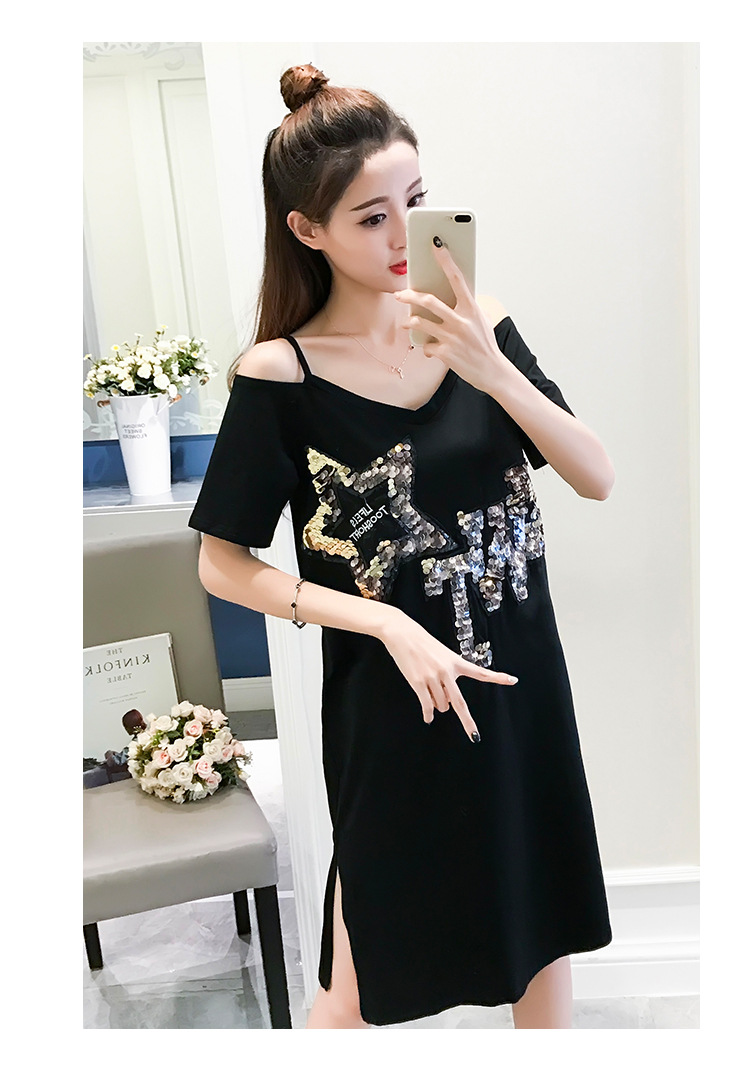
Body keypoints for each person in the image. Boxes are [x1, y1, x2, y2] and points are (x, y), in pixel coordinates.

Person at [188, 63, 615, 1030]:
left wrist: (491, 369)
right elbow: (222, 563)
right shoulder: (282, 375)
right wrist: (382, 621)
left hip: (521, 689)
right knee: (360, 967)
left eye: (415, 205)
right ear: (308, 230)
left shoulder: (479, 329)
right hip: (396, 707)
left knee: (541, 933)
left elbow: (595, 475)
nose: (402, 237)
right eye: (372, 217)